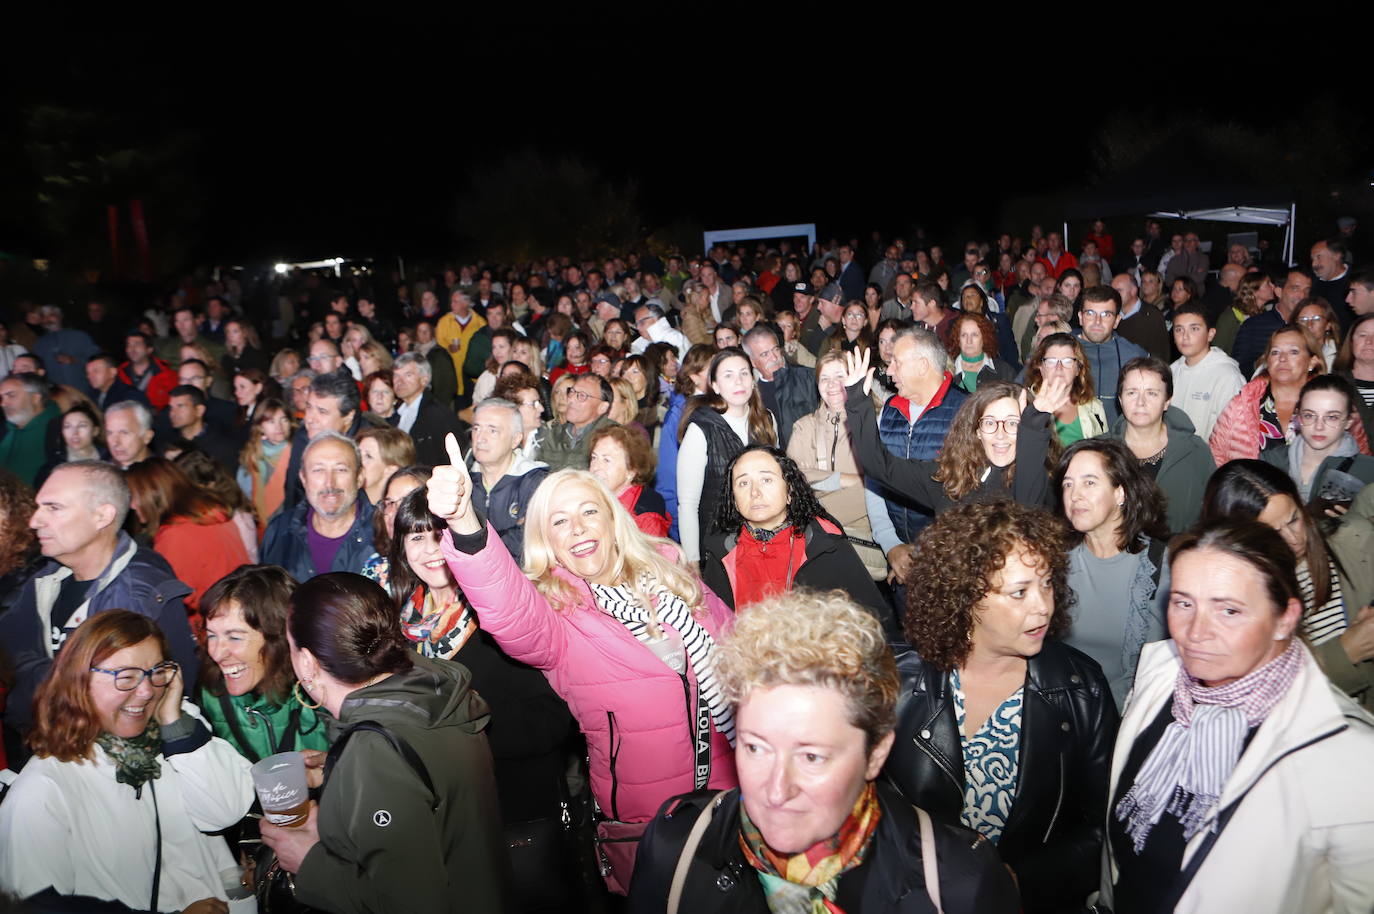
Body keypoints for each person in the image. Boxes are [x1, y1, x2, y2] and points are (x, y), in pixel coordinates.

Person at [428, 450, 739, 891]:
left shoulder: (671, 574)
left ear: (612, 520)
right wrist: (465, 522)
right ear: (546, 541)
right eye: (558, 521)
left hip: (735, 795)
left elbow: (745, 653)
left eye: (589, 511)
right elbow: (508, 609)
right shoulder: (558, 616)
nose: (576, 527)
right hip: (652, 826)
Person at [627, 589, 1020, 914]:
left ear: (876, 754)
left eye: (811, 757)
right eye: (755, 747)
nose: (776, 790)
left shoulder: (958, 885)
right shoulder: (676, 844)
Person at [1099, 521, 1374, 913]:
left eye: (1228, 610)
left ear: (1285, 618)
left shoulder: (1349, 758)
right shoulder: (1160, 676)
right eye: (1183, 602)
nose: (1196, 632)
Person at [887, 500, 1118, 913]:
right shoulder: (901, 682)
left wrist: (1019, 882)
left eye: (1046, 584)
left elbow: (1106, 826)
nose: (1043, 605)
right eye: (1020, 592)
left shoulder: (1080, 689)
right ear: (967, 596)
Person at [259, 572, 511, 913]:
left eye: (290, 646)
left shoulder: (374, 751)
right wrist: (340, 771)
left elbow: (408, 901)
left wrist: (309, 862)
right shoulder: (430, 692)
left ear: (307, 662)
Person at [0, 611, 253, 912]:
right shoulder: (41, 791)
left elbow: (224, 812)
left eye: (157, 672)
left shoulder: (177, 743)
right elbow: (33, 907)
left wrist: (173, 720)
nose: (146, 691)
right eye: (126, 676)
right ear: (79, 681)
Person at [384, 488, 575, 837]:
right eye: (417, 537)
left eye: (440, 534)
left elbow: (554, 718)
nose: (430, 549)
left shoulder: (499, 613)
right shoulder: (402, 625)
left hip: (514, 807)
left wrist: (467, 736)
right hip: (446, 814)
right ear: (401, 548)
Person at [0, 461, 199, 740]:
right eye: (38, 507)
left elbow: (164, 705)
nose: (34, 521)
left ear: (102, 516)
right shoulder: (43, 579)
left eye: (53, 508)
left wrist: (52, 685)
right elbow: (10, 664)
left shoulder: (141, 600)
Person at [1202, 461, 1374, 709]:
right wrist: (1345, 653)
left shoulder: (1355, 541)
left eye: (1294, 520)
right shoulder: (1225, 601)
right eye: (1272, 533)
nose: (1293, 540)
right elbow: (1252, 699)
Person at [845, 348, 1064, 515]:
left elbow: (1027, 513)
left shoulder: (1041, 479)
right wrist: (857, 402)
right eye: (989, 423)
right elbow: (881, 468)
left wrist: (1033, 429)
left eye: (1013, 424)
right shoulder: (951, 478)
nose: (1000, 433)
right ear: (977, 431)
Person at [700, 443, 891, 623]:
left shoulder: (823, 542)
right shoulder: (722, 552)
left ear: (789, 491)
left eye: (766, 480)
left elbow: (871, 620)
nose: (755, 492)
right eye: (743, 483)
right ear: (733, 500)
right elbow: (713, 629)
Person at [1053, 438, 1171, 709]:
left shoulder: (1160, 564)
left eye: (1089, 482)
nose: (1075, 495)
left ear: (1121, 493)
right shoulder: (1054, 560)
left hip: (1131, 713)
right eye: (1068, 484)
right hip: (1063, 714)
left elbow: (1159, 668)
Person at [199, 565, 328, 761]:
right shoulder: (210, 698)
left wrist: (333, 769)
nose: (216, 653)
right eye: (211, 635)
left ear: (280, 638)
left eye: (234, 638)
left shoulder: (324, 694)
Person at [786, 350, 888, 582]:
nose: (832, 385)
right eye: (825, 378)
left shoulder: (875, 422)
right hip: (816, 548)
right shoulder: (804, 427)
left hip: (861, 540)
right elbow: (793, 480)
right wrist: (846, 479)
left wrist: (813, 507)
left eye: (839, 376)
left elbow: (876, 490)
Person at [124, 457, 251, 633]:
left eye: (134, 496)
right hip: (238, 619)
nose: (131, 506)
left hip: (211, 631)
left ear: (154, 494)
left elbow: (174, 601)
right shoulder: (212, 513)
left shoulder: (176, 535)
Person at [1209, 324, 1368, 465]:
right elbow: (1216, 456)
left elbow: (1361, 461)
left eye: (1293, 352)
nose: (1283, 359)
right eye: (1275, 352)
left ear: (1312, 362)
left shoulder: (1336, 401)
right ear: (1268, 361)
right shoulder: (1243, 403)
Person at [677, 347, 778, 562]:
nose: (738, 382)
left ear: (753, 379)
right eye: (728, 375)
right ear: (715, 385)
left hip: (765, 540)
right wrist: (693, 561)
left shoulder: (767, 421)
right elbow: (687, 504)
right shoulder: (700, 428)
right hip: (719, 546)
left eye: (744, 373)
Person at [1110, 356, 1217, 533]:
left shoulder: (1196, 451)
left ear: (1167, 401)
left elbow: (1212, 514)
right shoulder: (1100, 453)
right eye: (1131, 392)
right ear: (1120, 399)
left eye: (1152, 393)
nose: (1141, 402)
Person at [261, 431, 376, 580]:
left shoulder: (385, 534)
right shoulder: (278, 531)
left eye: (341, 469)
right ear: (303, 478)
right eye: (318, 470)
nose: (329, 483)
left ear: (359, 477)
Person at [1260, 374, 1374, 505]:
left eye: (1332, 417)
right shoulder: (1269, 462)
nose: (1319, 427)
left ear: (1348, 421)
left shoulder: (1368, 472)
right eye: (1309, 415)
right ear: (1298, 417)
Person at [466, 397, 549, 564]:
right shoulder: (463, 484)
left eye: (492, 430)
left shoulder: (536, 482)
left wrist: (475, 547)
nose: (480, 438)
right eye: (476, 428)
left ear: (516, 439)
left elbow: (528, 546)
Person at [1169, 300, 1245, 440]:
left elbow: (1235, 433)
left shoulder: (1227, 376)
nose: (1185, 336)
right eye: (1179, 329)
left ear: (1210, 334)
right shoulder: (1171, 371)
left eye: (1194, 329)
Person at [1077, 285, 1149, 425]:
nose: (1097, 321)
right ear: (1080, 317)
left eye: (1106, 315)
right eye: (1090, 313)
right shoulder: (1058, 351)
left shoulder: (1134, 356)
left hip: (1118, 443)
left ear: (1116, 320)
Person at [589, 422, 671, 537]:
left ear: (631, 470)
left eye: (606, 460)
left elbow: (647, 555)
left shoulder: (646, 517)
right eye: (594, 458)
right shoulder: (590, 496)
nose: (596, 467)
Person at [1024, 332, 1107, 445]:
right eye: (1051, 361)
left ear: (1078, 369)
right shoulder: (1026, 405)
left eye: (1067, 361)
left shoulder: (1094, 408)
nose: (1059, 367)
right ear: (1040, 367)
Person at [391, 352, 468, 468]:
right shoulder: (397, 413)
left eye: (408, 375)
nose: (399, 382)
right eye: (396, 376)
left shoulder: (437, 415)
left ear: (424, 380)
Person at [537, 373, 617, 473]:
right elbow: (538, 471)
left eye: (582, 395)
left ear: (602, 407)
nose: (570, 399)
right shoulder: (556, 434)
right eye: (571, 392)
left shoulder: (613, 437)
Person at [236, 397, 294, 529]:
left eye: (284, 419)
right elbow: (245, 495)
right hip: (260, 524)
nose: (279, 426)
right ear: (260, 427)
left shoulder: (298, 452)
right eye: (271, 421)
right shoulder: (252, 455)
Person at [0, 372, 60, 486]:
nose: (3, 404)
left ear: (35, 398)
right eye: (2, 397)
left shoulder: (60, 431)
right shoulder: (5, 430)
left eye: (11, 395)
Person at [948, 311, 1014, 393]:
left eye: (974, 335)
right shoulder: (946, 373)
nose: (969, 341)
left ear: (985, 338)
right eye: (964, 335)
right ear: (957, 339)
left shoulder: (1004, 371)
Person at [356, 424, 415, 508]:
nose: (356, 461)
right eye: (357, 453)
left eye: (368, 456)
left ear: (391, 470)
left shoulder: (393, 516)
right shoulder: (345, 504)